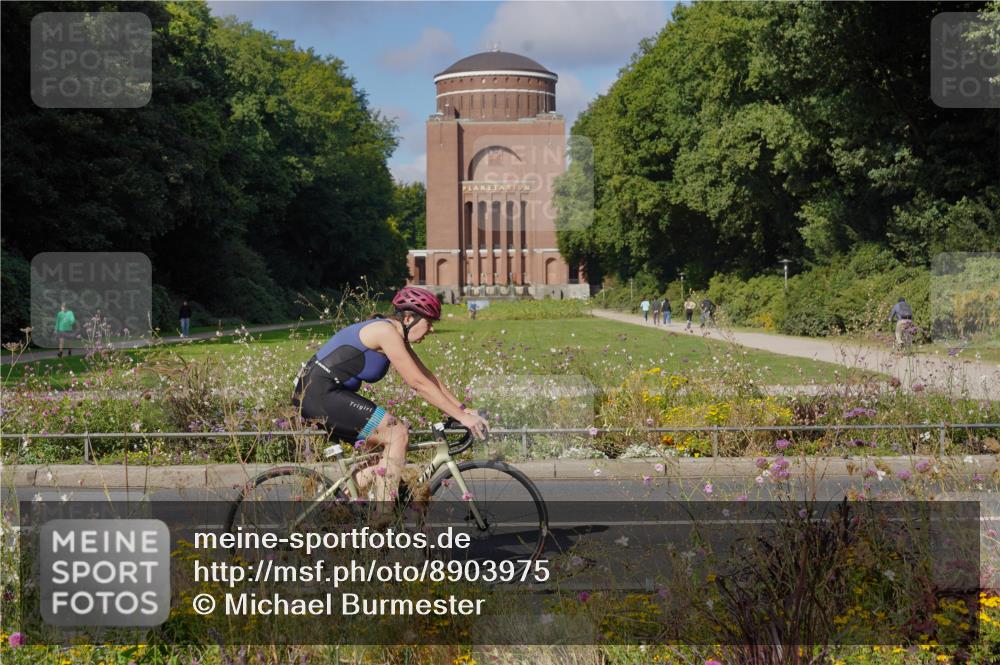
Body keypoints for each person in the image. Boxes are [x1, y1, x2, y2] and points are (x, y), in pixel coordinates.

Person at [292, 286, 488, 506]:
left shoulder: (395, 333)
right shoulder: (385, 332)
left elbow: (427, 376)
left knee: (385, 456)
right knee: (397, 435)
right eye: (429, 322)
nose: (431, 329)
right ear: (407, 318)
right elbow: (417, 384)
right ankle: (383, 519)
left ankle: (337, 504)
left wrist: (462, 410)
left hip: (321, 393)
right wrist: (462, 418)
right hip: (319, 394)